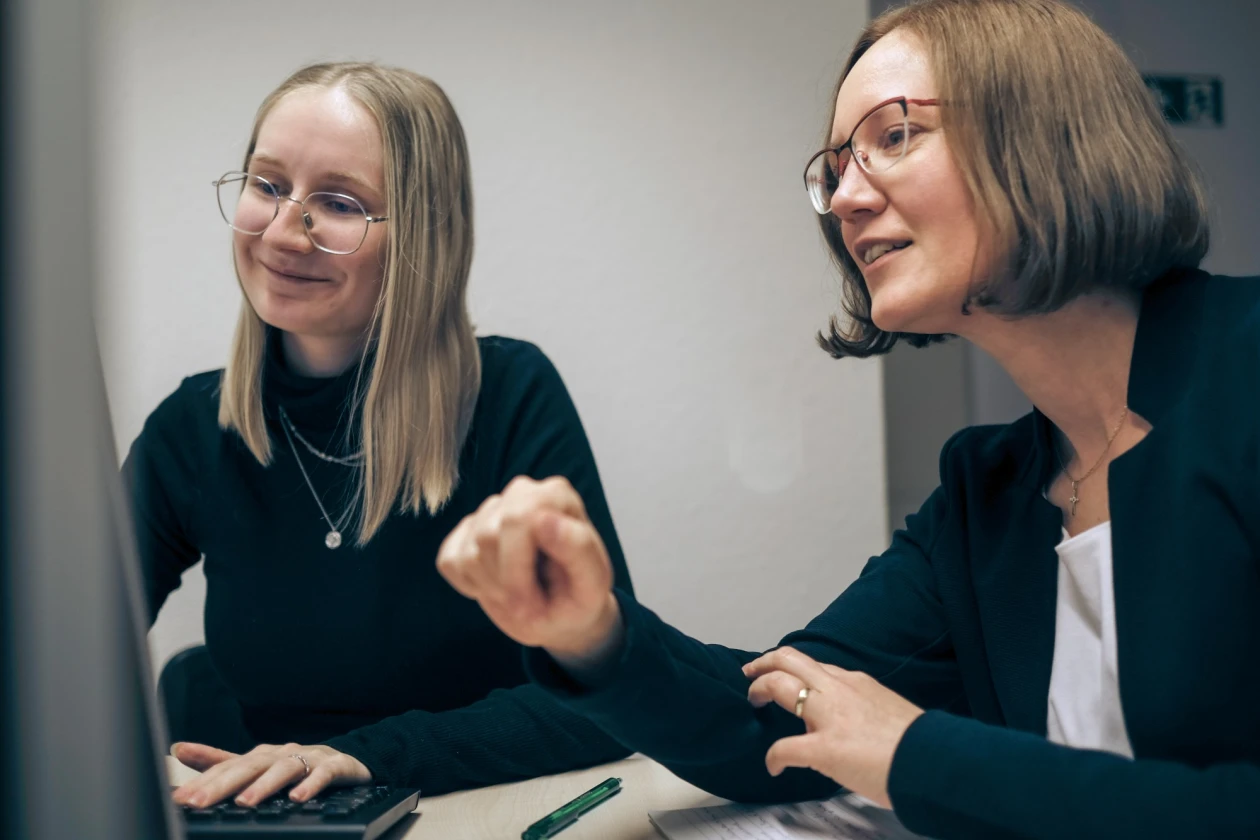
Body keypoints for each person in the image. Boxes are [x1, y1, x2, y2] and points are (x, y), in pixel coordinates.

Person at [435, 1, 1260, 837]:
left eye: (894, 136)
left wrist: (916, 756)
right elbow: (785, 719)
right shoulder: (989, 493)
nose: (843, 200)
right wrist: (595, 633)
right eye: (835, 167)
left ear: (1044, 130)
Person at [124, 61, 634, 809]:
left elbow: (605, 689)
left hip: (477, 813)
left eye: (337, 202)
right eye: (267, 185)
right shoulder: (191, 427)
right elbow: (56, 652)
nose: (283, 229)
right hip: (285, 823)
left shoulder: (510, 395)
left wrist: (356, 756)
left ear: (422, 236)